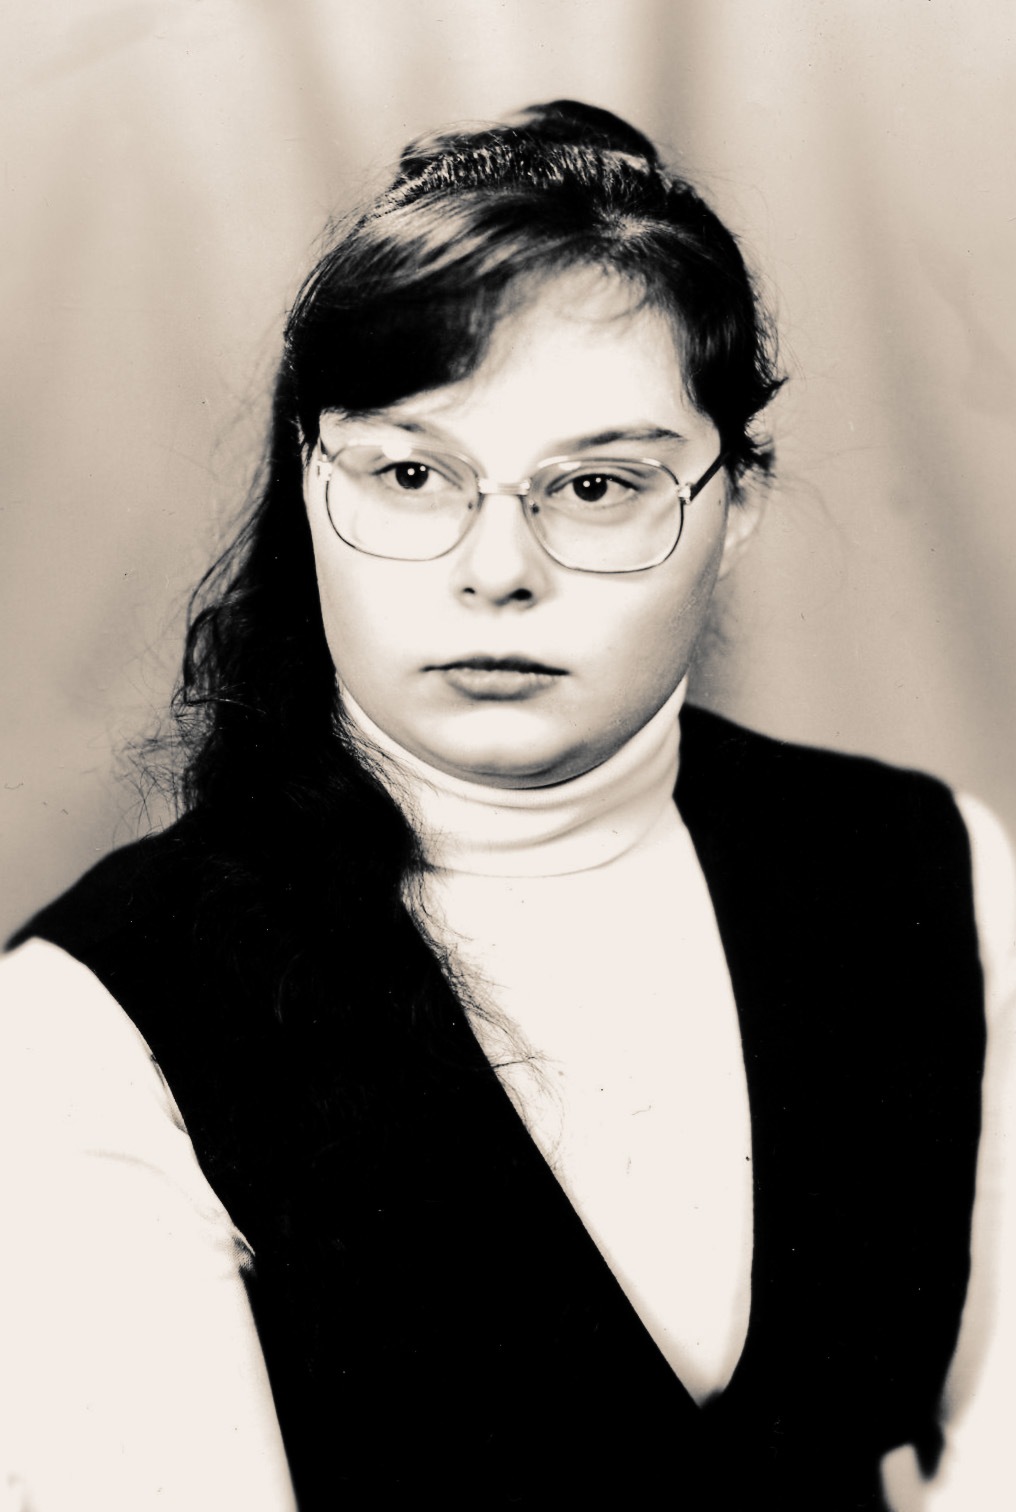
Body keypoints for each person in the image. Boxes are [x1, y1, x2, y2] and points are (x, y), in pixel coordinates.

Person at [1, 100, 1013, 1511]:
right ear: (311, 487)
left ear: (738, 505)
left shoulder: (925, 866)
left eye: (595, 485)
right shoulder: (91, 1017)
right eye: (414, 474)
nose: (498, 569)